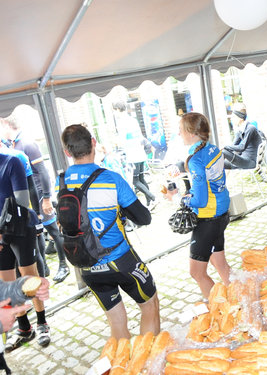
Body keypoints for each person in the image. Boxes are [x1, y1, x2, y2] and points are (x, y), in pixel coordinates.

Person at [57, 124, 160, 339]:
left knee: (116, 320)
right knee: (150, 303)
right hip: (120, 260)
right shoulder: (111, 178)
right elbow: (144, 218)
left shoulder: (62, 182)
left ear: (67, 152)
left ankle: (125, 367)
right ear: (94, 143)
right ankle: (150, 364)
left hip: (87, 265)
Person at [165, 112, 231, 299]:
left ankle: (221, 308)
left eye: (181, 130)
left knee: (197, 273)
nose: (179, 134)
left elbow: (200, 200)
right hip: (220, 212)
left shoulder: (195, 159)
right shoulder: (212, 149)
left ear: (192, 133)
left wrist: (179, 198)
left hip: (208, 217)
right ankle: (239, 300)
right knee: (222, 266)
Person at [0, 117, 70, 283]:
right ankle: (43, 270)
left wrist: (45, 198)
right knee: (38, 239)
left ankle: (63, 265)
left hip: (37, 198)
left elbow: (42, 173)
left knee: (52, 230)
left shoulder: (26, 146)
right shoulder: (15, 146)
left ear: (7, 124)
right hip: (24, 207)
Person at [0, 153, 51, 351]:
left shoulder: (11, 162)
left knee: (29, 277)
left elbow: (21, 200)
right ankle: (24, 328)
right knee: (7, 283)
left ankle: (42, 323)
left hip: (20, 228)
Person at [112, 101, 156, 207]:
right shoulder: (133, 120)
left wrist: (115, 141)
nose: (114, 113)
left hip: (133, 155)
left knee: (135, 181)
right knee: (141, 178)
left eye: (114, 110)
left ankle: (152, 196)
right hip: (140, 153)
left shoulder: (121, 122)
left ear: (117, 109)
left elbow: (122, 141)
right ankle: (150, 202)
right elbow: (140, 137)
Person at [222, 103, 263, 170]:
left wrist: (225, 147)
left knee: (223, 152)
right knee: (220, 163)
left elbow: (242, 147)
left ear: (240, 118)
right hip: (243, 159)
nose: (231, 119)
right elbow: (233, 145)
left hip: (250, 162)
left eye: (233, 117)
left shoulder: (250, 128)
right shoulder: (240, 130)